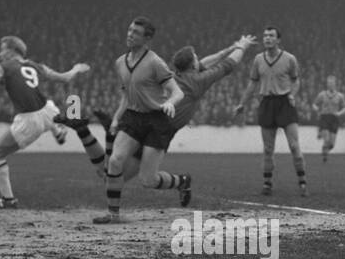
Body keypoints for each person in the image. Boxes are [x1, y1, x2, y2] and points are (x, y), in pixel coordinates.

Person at [96, 34, 256, 217]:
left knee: (135, 178)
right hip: (155, 125)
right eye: (196, 58)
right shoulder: (197, 81)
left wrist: (230, 47)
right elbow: (229, 64)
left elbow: (206, 61)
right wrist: (241, 46)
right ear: (193, 65)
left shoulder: (176, 75)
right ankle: (177, 183)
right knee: (118, 178)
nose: (199, 60)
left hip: (156, 127)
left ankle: (181, 182)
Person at [0, 35, 90, 208]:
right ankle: (57, 129)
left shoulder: (3, 67)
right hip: (48, 110)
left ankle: (8, 200)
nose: (0, 53)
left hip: (29, 119)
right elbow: (65, 78)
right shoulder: (35, 65)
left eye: (2, 49)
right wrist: (76, 68)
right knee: (49, 108)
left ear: (12, 50)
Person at [92, 17, 179, 224]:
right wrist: (116, 118)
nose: (130, 34)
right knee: (114, 161)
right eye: (130, 30)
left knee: (148, 180)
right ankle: (113, 214)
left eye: (136, 32)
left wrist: (170, 103)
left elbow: (177, 91)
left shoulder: (155, 62)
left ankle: (181, 182)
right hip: (132, 117)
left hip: (156, 121)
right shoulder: (120, 62)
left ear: (147, 38)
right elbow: (126, 95)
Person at [235, 26, 306, 196]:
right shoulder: (258, 59)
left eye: (271, 36)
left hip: (285, 103)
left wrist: (292, 94)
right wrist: (242, 103)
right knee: (268, 149)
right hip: (267, 103)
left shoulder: (289, 59)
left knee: (294, 146)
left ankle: (302, 182)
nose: (267, 38)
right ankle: (267, 183)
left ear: (278, 40)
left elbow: (296, 81)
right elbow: (253, 83)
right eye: (265, 36)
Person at [313, 74, 345, 162]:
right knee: (327, 139)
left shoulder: (340, 96)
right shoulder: (322, 94)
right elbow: (314, 104)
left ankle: (325, 150)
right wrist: (317, 109)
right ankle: (324, 151)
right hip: (325, 117)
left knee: (332, 144)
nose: (331, 85)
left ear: (335, 84)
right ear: (327, 84)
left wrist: (339, 113)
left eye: (332, 83)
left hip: (334, 119)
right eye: (329, 83)